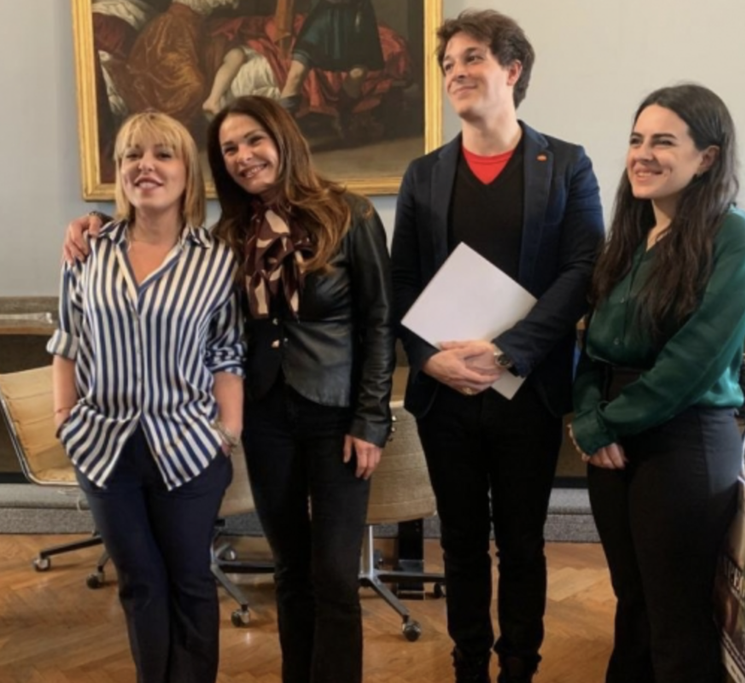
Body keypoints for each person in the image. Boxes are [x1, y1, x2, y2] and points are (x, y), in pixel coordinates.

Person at [63, 95, 394, 683]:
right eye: (230, 148)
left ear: (284, 139)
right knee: (290, 569)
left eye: (254, 140)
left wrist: (371, 418)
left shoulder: (350, 215)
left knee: (335, 575)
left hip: (335, 414)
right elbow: (217, 330)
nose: (244, 156)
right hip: (268, 418)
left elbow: (379, 321)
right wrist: (90, 221)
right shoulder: (229, 236)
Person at [391, 10, 605, 683]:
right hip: (445, 391)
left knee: (521, 543)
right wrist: (428, 358)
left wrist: (510, 350)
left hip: (527, 389)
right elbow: (402, 283)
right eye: (448, 63)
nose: (456, 71)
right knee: (457, 542)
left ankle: (518, 666)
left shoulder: (566, 164)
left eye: (472, 57)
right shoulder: (423, 174)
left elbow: (582, 270)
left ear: (512, 70)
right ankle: (467, 666)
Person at [568, 84, 745, 683]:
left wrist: (605, 422)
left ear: (707, 157)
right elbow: (594, 347)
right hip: (611, 445)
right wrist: (588, 418)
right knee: (632, 607)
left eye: (663, 141)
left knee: (676, 621)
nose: (643, 154)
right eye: (636, 140)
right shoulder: (628, 240)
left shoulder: (734, 235)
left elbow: (695, 359)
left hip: (684, 441)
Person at [49, 110, 244, 683]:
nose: (146, 166)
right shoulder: (88, 250)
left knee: (190, 579)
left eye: (163, 154)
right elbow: (67, 339)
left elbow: (227, 354)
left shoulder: (216, 259)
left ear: (187, 172)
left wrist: (227, 433)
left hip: (189, 446)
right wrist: (64, 418)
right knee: (139, 582)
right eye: (133, 155)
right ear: (119, 170)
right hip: (104, 448)